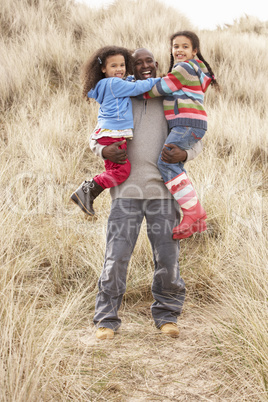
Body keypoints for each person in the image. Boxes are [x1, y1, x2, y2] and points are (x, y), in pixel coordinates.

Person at [90, 48, 203, 340]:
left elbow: (193, 134)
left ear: (156, 65)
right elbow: (96, 135)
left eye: (149, 61)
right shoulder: (120, 94)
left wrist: (187, 153)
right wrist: (103, 149)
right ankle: (106, 320)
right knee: (116, 257)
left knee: (167, 257)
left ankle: (167, 316)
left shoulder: (170, 98)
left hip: (163, 194)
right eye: (137, 62)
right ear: (130, 67)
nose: (144, 66)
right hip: (125, 193)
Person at [142, 31, 219, 240]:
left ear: (194, 51)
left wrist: (140, 90)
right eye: (176, 46)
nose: (179, 50)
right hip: (191, 123)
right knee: (173, 166)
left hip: (186, 123)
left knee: (166, 163)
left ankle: (193, 212)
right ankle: (198, 221)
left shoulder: (184, 68)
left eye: (185, 47)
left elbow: (163, 87)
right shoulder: (192, 70)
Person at [70, 46, 160, 216]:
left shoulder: (103, 85)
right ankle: (86, 191)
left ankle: (88, 193)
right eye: (114, 66)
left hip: (108, 134)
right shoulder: (113, 84)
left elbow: (126, 83)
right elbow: (137, 88)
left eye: (122, 65)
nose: (119, 69)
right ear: (103, 68)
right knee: (121, 171)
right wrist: (161, 80)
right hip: (113, 135)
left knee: (114, 171)